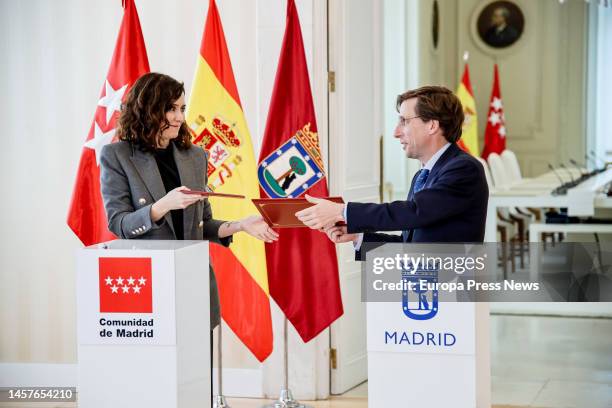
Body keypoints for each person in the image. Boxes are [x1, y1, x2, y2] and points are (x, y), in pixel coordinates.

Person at [100, 72, 279, 329]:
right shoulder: (116, 156)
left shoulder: (195, 156)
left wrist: (240, 225)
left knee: (198, 367)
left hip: (194, 281)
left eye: (182, 108)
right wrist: (163, 206)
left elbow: (202, 224)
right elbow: (119, 224)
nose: (180, 117)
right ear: (148, 108)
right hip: (148, 286)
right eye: (170, 108)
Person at [295, 86, 488, 255]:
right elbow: (410, 245)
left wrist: (343, 211)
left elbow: (414, 212)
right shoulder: (423, 175)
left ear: (432, 125)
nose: (396, 132)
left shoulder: (463, 169)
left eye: (404, 121)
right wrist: (358, 237)